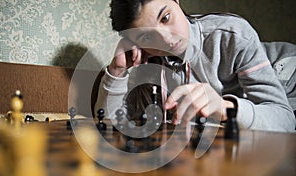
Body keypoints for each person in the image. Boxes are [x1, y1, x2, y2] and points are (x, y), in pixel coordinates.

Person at [95, 0, 296, 132]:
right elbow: (108, 124)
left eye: (165, 18)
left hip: (287, 74)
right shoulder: (147, 63)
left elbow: (285, 119)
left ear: (176, 1)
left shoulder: (232, 35)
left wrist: (225, 108)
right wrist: (117, 71)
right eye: (147, 36)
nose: (166, 39)